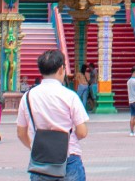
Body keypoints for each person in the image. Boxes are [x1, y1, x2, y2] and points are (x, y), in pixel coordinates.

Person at [19, 48, 91, 181]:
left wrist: (34, 146)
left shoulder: (28, 97)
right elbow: (82, 132)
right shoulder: (69, 96)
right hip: (69, 157)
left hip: (41, 159)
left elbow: (21, 133)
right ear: (61, 69)